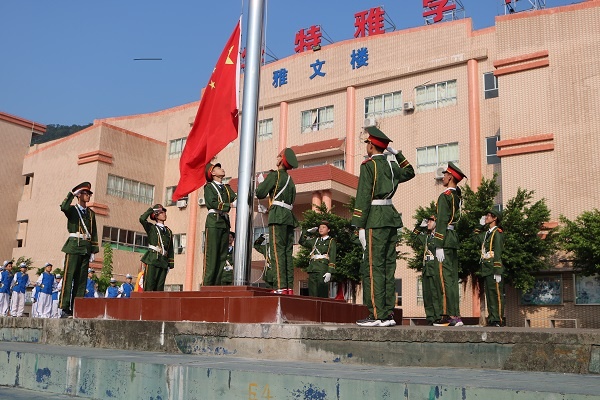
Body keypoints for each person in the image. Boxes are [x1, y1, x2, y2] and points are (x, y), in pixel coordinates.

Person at [352, 127, 415, 327]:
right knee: (388, 267)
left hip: (375, 219)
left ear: (371, 145)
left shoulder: (369, 165)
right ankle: (387, 313)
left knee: (373, 267)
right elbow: (410, 172)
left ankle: (377, 314)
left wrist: (359, 226)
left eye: (367, 144)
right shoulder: (391, 165)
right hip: (390, 218)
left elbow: (363, 195)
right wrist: (398, 155)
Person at [255, 148, 298, 294]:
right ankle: (289, 287)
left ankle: (280, 287)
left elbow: (260, 193)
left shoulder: (275, 175)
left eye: (279, 156)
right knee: (287, 253)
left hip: (277, 217)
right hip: (288, 217)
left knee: (277, 252)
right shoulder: (290, 180)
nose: (277, 157)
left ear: (282, 160)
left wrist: (262, 182)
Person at [432, 162, 466, 327]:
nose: (443, 177)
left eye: (445, 174)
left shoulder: (445, 196)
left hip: (444, 239)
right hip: (452, 238)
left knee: (444, 279)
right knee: (451, 280)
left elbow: (441, 221)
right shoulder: (457, 197)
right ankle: (455, 314)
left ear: (451, 177)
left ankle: (449, 316)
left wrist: (438, 244)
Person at [60, 182, 99, 317]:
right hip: (73, 246)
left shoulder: (91, 214)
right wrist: (72, 194)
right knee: (69, 276)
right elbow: (63, 207)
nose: (88, 196)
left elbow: (94, 233)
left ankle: (76, 307)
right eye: (85, 193)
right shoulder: (72, 210)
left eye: (89, 194)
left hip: (85, 248)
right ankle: (64, 307)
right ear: (79, 195)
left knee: (81, 280)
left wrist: (93, 250)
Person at [203, 163, 237, 286]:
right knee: (212, 255)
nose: (222, 169)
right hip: (214, 221)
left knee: (222, 256)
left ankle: (216, 286)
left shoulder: (226, 188)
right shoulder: (209, 187)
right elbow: (212, 202)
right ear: (212, 173)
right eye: (218, 168)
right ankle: (207, 285)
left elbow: (235, 198)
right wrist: (230, 205)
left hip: (224, 222)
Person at [474, 210, 505, 327]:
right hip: (486, 268)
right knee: (490, 295)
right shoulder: (487, 234)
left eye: (488, 215)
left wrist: (497, 270)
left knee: (496, 293)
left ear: (495, 218)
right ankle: (492, 318)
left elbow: (498, 251)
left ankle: (498, 319)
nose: (486, 217)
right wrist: (479, 225)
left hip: (493, 267)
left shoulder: (497, 233)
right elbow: (475, 238)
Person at [412, 216, 443, 325]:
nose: (428, 223)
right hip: (427, 269)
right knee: (427, 295)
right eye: (427, 221)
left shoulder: (439, 237)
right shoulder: (426, 237)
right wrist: (420, 227)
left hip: (435, 269)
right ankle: (430, 317)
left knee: (435, 294)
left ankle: (438, 316)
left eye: (430, 221)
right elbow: (413, 237)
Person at [140, 204, 174, 291]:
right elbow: (142, 219)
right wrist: (151, 210)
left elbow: (170, 249)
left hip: (163, 261)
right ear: (156, 215)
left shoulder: (169, 231)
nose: (164, 214)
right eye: (161, 212)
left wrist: (170, 264)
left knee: (159, 288)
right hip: (153, 259)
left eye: (164, 212)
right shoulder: (152, 228)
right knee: (149, 285)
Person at [299, 221, 337, 298]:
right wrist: (307, 232)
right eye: (320, 227)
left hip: (322, 269)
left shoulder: (331, 241)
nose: (321, 229)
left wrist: (330, 272)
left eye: (323, 227)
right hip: (313, 268)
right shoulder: (315, 240)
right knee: (312, 294)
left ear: (328, 230)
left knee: (322, 293)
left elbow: (332, 256)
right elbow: (302, 242)